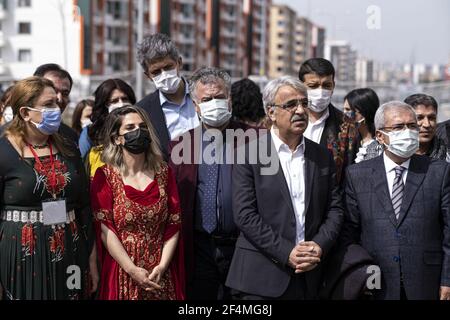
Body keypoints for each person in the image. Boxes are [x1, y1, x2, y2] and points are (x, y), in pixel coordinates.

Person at [225, 76, 344, 300]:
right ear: (271, 113)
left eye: (304, 103)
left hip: (310, 276)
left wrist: (318, 246)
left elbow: (335, 209)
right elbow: (245, 215)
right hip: (260, 280)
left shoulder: (321, 156)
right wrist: (287, 252)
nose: (300, 110)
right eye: (290, 105)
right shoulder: (248, 154)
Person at [341, 101, 450, 300]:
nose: (408, 132)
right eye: (399, 127)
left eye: (412, 126)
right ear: (380, 136)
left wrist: (447, 280)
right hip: (376, 282)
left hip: (427, 281)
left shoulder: (439, 171)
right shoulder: (358, 175)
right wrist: (358, 275)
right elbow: (349, 232)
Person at [0, 77, 97, 300]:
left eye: (57, 102)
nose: (57, 108)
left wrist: (91, 260)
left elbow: (83, 205)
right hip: (20, 256)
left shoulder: (68, 146)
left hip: (70, 252)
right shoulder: (3, 151)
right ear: (25, 112)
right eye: (49, 104)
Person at [169, 67, 249, 300]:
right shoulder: (180, 145)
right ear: (195, 106)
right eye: (207, 99)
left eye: (219, 98)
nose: (214, 103)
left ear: (230, 100)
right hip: (199, 247)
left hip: (242, 247)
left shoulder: (256, 140)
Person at [90, 105, 184, 300]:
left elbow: (174, 224)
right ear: (117, 138)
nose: (138, 132)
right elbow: (105, 229)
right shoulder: (105, 176)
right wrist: (132, 270)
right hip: (123, 270)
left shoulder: (164, 173)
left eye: (142, 127)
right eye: (130, 128)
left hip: (160, 271)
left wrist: (162, 266)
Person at [137, 33, 200, 158]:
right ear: (148, 76)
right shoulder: (143, 111)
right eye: (156, 72)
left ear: (179, 63)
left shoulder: (204, 96)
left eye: (168, 67)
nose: (164, 75)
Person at [299, 58, 357, 183]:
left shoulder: (347, 126)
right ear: (301, 86)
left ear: (333, 86)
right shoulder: (286, 121)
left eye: (326, 85)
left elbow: (350, 172)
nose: (320, 92)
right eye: (313, 86)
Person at [80, 79, 136, 179]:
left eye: (125, 99)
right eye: (114, 101)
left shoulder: (139, 128)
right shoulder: (91, 133)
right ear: (104, 105)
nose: (121, 104)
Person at [33, 64, 79, 146]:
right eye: (53, 90)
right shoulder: (7, 137)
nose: (59, 99)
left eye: (65, 93)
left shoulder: (70, 137)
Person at [404, 94, 448, 162]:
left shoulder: (447, 155)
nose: (427, 124)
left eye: (431, 118)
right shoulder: (392, 156)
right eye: (419, 118)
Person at [343, 88, 383, 163]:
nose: (344, 114)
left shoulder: (381, 143)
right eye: (344, 109)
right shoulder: (347, 139)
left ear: (364, 112)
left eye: (348, 110)